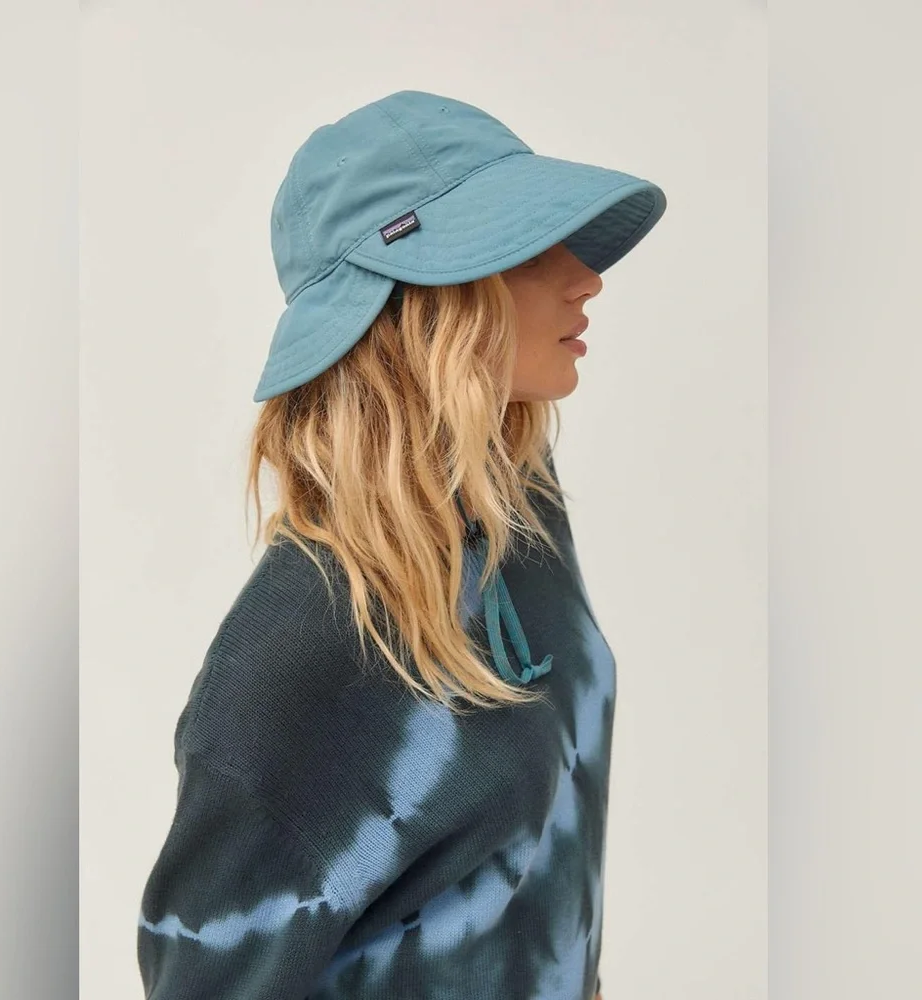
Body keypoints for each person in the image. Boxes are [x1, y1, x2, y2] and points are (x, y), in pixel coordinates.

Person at [136, 89, 666, 999]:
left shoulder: (518, 518)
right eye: (528, 247)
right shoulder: (300, 645)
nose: (587, 279)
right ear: (422, 305)